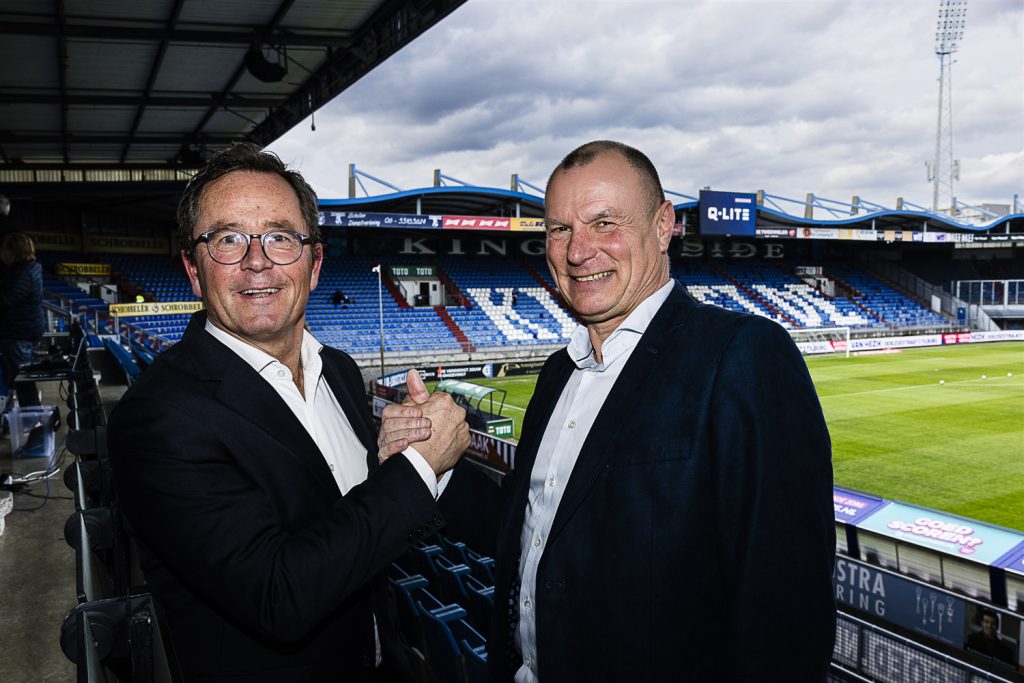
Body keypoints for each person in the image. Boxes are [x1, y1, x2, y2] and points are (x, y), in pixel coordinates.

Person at [380, 140, 836, 681]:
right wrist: (435, 466)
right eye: (558, 229)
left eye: (604, 223)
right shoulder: (556, 374)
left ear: (664, 224)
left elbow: (786, 611)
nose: (577, 252)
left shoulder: (743, 356)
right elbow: (524, 530)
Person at [107, 143, 469, 682]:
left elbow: (356, 532)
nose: (257, 260)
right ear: (192, 267)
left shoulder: (341, 371)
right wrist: (418, 469)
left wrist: (392, 459)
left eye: (280, 237)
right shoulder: (156, 418)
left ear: (315, 262)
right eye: (227, 238)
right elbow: (280, 595)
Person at [0, 232, 45, 416]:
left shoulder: (24, 272)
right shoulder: (22, 269)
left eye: (4, 248)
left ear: (13, 251)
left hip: (20, 334)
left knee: (22, 381)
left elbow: (6, 299)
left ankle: (33, 423)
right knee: (19, 380)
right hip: (20, 332)